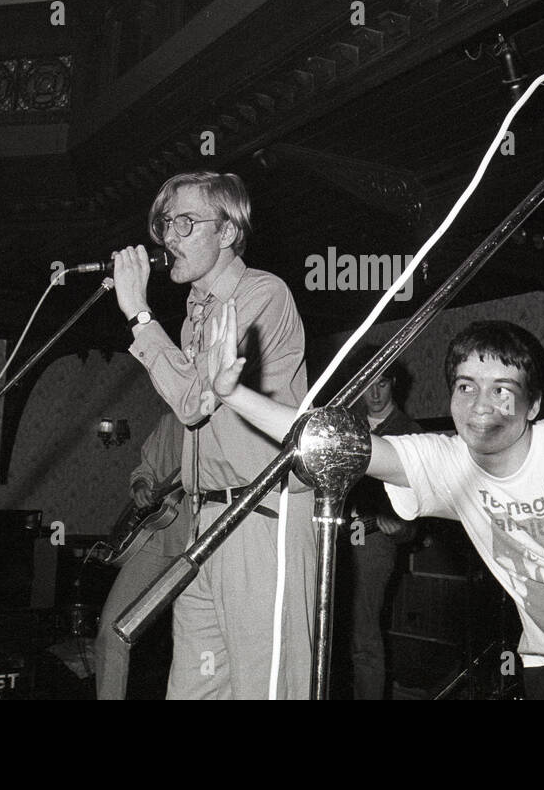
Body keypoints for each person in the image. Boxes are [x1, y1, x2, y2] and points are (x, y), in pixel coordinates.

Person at [208, 313, 544, 699]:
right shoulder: (447, 462)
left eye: (502, 390)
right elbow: (329, 441)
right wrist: (234, 394)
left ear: (535, 404)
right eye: (466, 387)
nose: (481, 405)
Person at [112, 171, 314, 699]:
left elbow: (197, 400)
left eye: (185, 222)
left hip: (260, 515)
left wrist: (138, 315)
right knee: (193, 690)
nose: (168, 238)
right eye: (164, 224)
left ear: (227, 232)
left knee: (267, 688)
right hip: (205, 523)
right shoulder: (193, 316)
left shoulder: (263, 293)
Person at [339, 350, 421, 700]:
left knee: (363, 636)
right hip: (334, 536)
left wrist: (399, 525)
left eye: (382, 383)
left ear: (394, 385)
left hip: (372, 543)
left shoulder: (409, 434)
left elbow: (419, 516)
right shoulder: (346, 424)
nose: (374, 394)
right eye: (367, 385)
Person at [94, 411, 188, 700]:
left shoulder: (230, 416)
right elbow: (144, 470)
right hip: (157, 539)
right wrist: (140, 486)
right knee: (112, 631)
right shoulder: (170, 421)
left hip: (206, 543)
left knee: (195, 643)